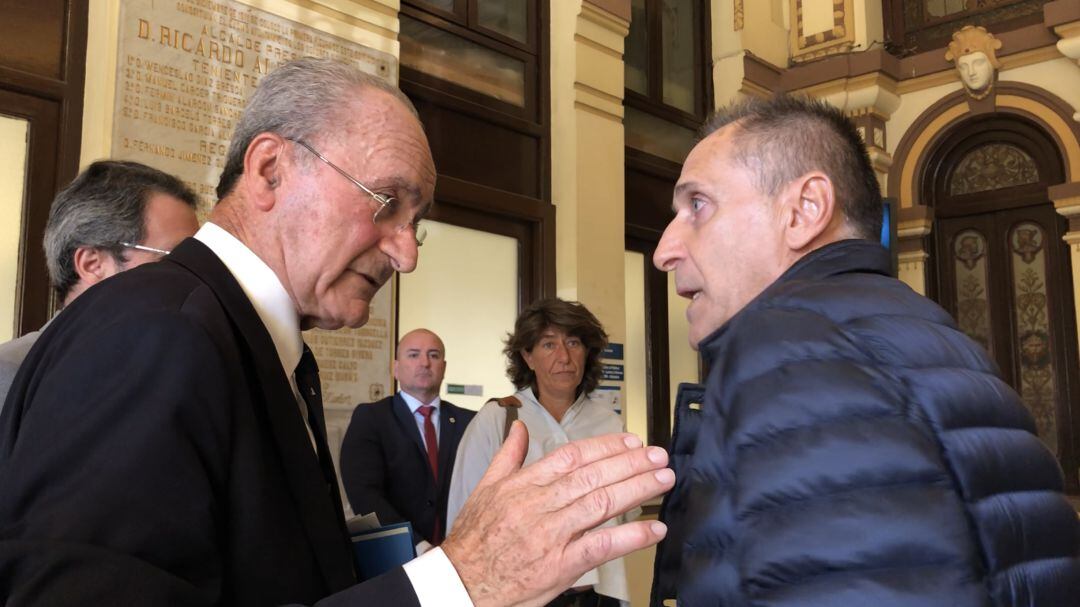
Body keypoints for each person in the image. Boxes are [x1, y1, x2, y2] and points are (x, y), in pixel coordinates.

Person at [0, 58, 673, 607]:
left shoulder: (259, 343)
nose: (406, 253)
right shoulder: (154, 332)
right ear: (270, 170)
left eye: (419, 222)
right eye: (387, 203)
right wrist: (457, 580)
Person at [648, 94, 1080, 606]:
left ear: (804, 210)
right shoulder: (932, 335)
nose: (663, 251)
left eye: (697, 205)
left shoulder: (793, 346)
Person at [448, 298, 631, 607]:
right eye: (548, 345)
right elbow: (464, 517)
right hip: (523, 595)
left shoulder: (610, 423)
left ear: (588, 352)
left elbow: (624, 513)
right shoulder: (499, 418)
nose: (564, 357)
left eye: (573, 342)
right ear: (527, 357)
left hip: (599, 595)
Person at [0, 160, 199, 411]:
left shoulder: (178, 373)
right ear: (92, 264)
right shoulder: (10, 374)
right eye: (173, 259)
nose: (192, 276)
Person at [340, 328, 475, 548]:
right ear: (395, 368)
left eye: (434, 355)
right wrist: (417, 544)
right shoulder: (372, 418)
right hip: (397, 554)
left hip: (460, 553)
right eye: (413, 355)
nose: (424, 363)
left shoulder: (470, 422)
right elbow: (364, 494)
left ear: (444, 367)